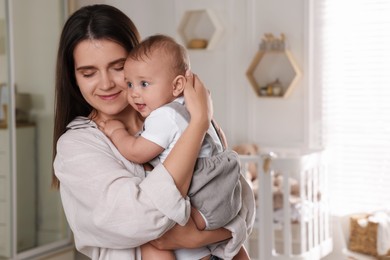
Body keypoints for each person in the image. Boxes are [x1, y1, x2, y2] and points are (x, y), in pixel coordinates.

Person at [52, 4, 255, 260]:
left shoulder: (174, 116)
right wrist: (200, 122)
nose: (105, 83)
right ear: (73, 78)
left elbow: (240, 196)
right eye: (89, 72)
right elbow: (140, 222)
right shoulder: (77, 145)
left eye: (118, 67)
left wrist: (203, 236)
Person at [98, 34, 251, 260]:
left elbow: (136, 152)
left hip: (203, 202)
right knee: (229, 250)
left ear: (177, 84)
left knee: (156, 238)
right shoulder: (194, 109)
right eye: (129, 83)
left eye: (144, 84)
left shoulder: (165, 116)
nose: (134, 93)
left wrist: (115, 131)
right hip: (226, 200)